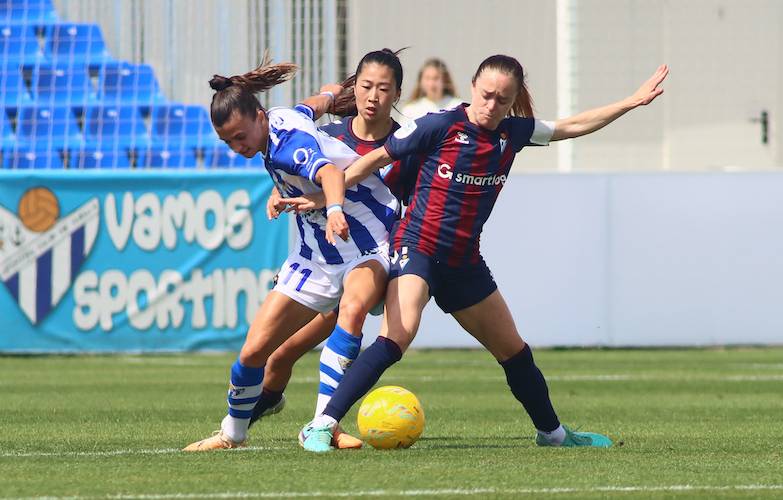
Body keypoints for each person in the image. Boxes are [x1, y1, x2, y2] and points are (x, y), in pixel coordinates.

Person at [292, 55, 669, 452]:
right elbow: (375, 159)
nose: (492, 106)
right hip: (417, 247)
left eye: (503, 100)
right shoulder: (439, 125)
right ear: (473, 86)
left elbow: (571, 126)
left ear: (513, 101)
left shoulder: (513, 133)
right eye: (487, 95)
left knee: (514, 351)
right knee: (397, 338)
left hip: (463, 261)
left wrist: (629, 102)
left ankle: (553, 435)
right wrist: (323, 197)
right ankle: (322, 424)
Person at [182, 53, 400, 451]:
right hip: (314, 253)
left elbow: (330, 173)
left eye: (239, 136)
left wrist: (333, 209)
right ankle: (233, 433)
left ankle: (323, 424)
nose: (236, 147)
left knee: (351, 313)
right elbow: (317, 102)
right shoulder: (282, 118)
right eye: (228, 141)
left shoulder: (288, 147)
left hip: (366, 237)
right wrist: (335, 95)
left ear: (259, 116)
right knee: (253, 352)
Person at [245, 49, 416, 450]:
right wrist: (277, 192)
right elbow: (302, 177)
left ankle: (325, 423)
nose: (373, 96)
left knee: (352, 317)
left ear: (397, 94)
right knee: (279, 357)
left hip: (373, 258)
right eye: (366, 86)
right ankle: (257, 411)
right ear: (354, 87)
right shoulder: (332, 134)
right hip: (327, 259)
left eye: (383, 89)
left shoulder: (406, 144)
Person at [400, 58, 462, 122]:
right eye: (427, 78)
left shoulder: (457, 107)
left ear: (445, 80)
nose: (431, 84)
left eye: (436, 78)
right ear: (421, 81)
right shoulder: (410, 110)